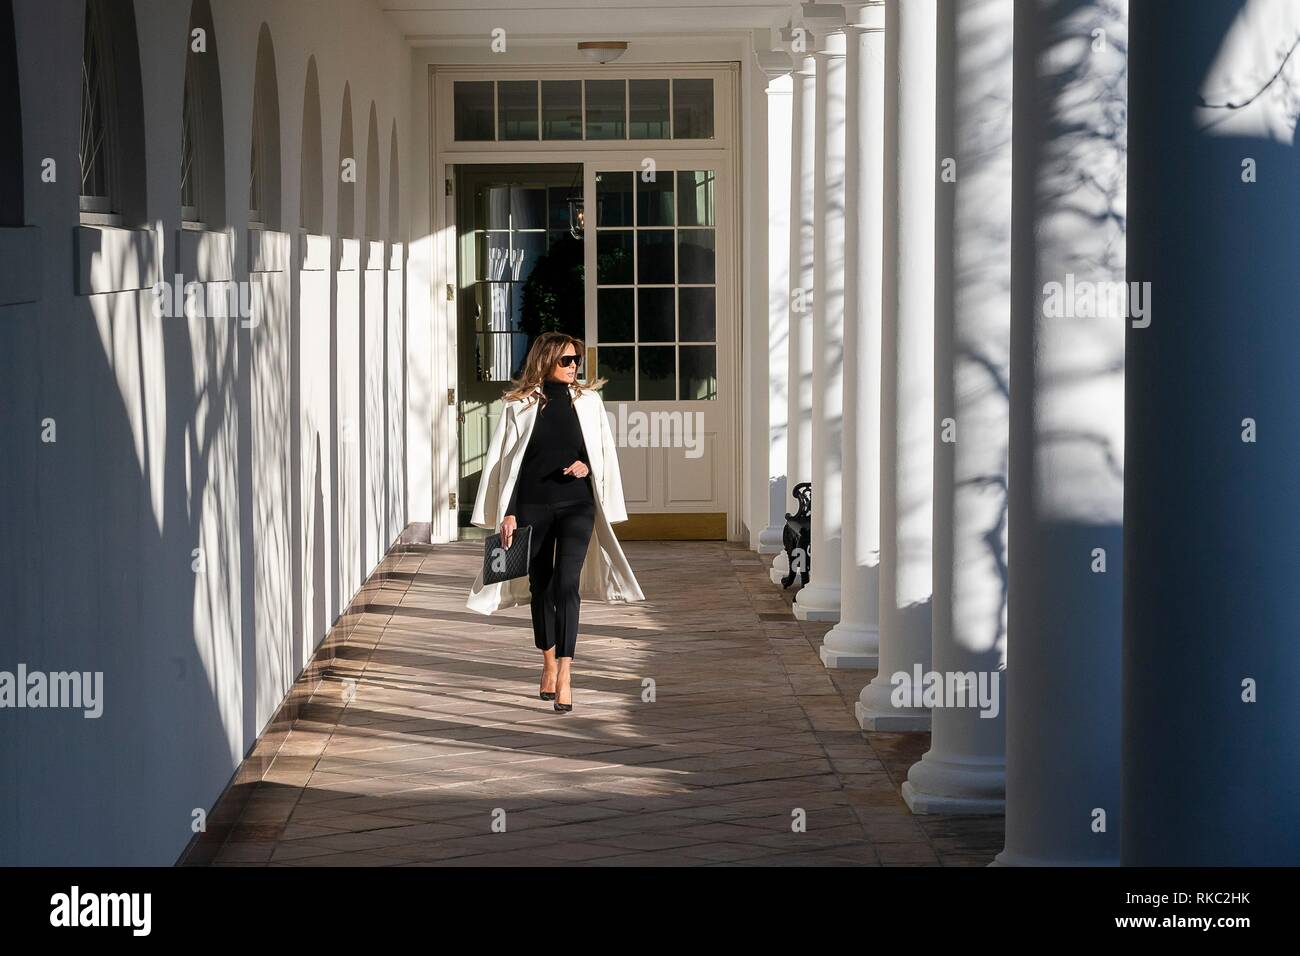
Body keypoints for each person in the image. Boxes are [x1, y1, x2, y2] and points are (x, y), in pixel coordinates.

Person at [466, 332, 645, 713]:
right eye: (566, 360)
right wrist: (507, 513)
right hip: (532, 506)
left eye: (576, 359)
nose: (574, 366)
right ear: (546, 360)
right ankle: (547, 662)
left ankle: (566, 673)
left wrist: (586, 465)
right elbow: (505, 466)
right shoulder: (518, 405)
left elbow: (599, 452)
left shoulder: (590, 402)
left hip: (577, 504)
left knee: (567, 586)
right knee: (542, 587)